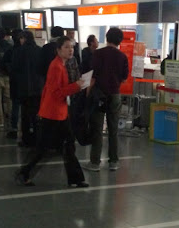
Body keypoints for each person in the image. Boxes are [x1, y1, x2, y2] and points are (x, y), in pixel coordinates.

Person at [15, 36, 88, 187]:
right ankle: (24, 173)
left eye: (72, 47)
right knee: (44, 148)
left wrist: (76, 85)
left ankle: (75, 179)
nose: (70, 50)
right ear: (58, 50)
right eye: (66, 47)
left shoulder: (62, 64)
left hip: (59, 112)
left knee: (68, 145)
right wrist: (77, 86)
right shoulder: (56, 67)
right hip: (52, 114)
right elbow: (56, 93)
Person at [83, 27, 129, 172]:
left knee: (97, 128)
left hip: (99, 95)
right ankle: (113, 162)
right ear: (120, 41)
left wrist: (87, 94)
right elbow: (124, 78)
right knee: (113, 129)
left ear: (107, 38)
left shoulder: (98, 53)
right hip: (115, 95)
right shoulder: (122, 56)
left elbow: (93, 76)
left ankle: (95, 163)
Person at [11, 31, 44, 148]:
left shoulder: (18, 51)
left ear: (24, 39)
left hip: (23, 88)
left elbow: (14, 70)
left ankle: (26, 139)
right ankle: (38, 138)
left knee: (25, 115)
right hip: (38, 88)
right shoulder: (39, 50)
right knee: (37, 114)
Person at [2, 29, 23, 139]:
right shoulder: (29, 51)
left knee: (15, 105)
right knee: (27, 106)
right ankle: (28, 127)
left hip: (14, 81)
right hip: (27, 83)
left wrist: (10, 72)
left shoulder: (10, 51)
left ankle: (14, 128)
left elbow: (3, 64)